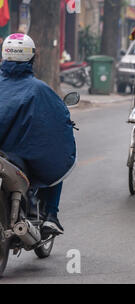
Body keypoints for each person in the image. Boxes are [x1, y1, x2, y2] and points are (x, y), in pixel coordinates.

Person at [0, 33, 77, 236]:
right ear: (32, 58)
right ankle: (50, 215)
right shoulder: (40, 90)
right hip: (20, 159)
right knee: (56, 155)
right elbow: (57, 126)